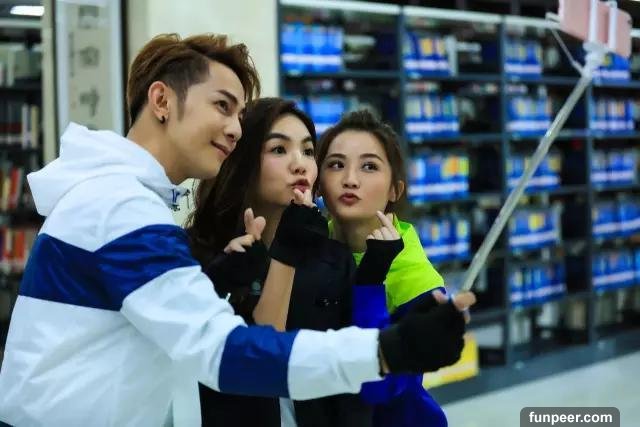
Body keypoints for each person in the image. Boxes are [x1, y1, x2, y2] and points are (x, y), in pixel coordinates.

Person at [0, 34, 474, 427]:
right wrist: (385, 349)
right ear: (162, 100)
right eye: (222, 107)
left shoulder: (128, 202)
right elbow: (221, 352)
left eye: (239, 116)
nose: (233, 129)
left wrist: (213, 285)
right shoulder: (120, 208)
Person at [188, 97, 391, 426]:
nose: (300, 165)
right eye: (279, 150)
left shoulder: (332, 260)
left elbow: (353, 388)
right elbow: (260, 357)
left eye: (308, 151)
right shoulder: (200, 255)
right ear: (243, 161)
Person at [316, 109, 455, 427]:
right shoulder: (310, 247)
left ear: (395, 190)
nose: (350, 179)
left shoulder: (417, 282)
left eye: (369, 166)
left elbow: (377, 388)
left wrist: (370, 282)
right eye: (336, 164)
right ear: (318, 184)